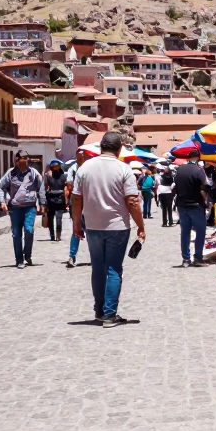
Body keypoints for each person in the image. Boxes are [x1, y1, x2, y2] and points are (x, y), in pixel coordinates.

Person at [71, 132, 145, 327]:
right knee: (113, 269)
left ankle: (99, 310)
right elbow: (132, 201)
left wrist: (76, 224)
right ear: (119, 148)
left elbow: (76, 199)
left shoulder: (84, 168)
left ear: (100, 147)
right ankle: (110, 315)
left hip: (93, 225)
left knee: (98, 268)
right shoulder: (124, 169)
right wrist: (141, 226)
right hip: (117, 226)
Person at [0, 149, 45, 268]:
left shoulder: (33, 173)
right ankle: (19, 260)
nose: (24, 162)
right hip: (15, 208)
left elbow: (41, 187)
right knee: (16, 234)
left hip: (30, 208)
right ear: (16, 161)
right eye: (21, 159)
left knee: (29, 230)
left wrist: (42, 203)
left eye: (25, 159)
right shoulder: (11, 174)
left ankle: (27, 254)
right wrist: (2, 201)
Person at [175, 147, 210, 267]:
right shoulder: (199, 170)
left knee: (185, 232)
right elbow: (203, 189)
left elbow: (175, 187)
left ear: (188, 158)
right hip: (196, 205)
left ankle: (186, 259)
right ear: (198, 158)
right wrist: (205, 201)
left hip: (182, 205)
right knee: (200, 232)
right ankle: (198, 258)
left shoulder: (179, 169)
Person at [65, 148, 91, 268]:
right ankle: (72, 256)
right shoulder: (73, 168)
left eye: (82, 154)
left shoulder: (91, 167)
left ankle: (95, 256)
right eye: (78, 154)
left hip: (90, 203)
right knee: (76, 229)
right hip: (77, 203)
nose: (80, 156)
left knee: (92, 232)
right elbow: (70, 185)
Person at [43, 159, 68, 242]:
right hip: (53, 198)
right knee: (54, 218)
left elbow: (46, 187)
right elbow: (45, 187)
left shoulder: (49, 176)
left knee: (57, 218)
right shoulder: (62, 176)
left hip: (55, 198)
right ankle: (55, 235)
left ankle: (55, 235)